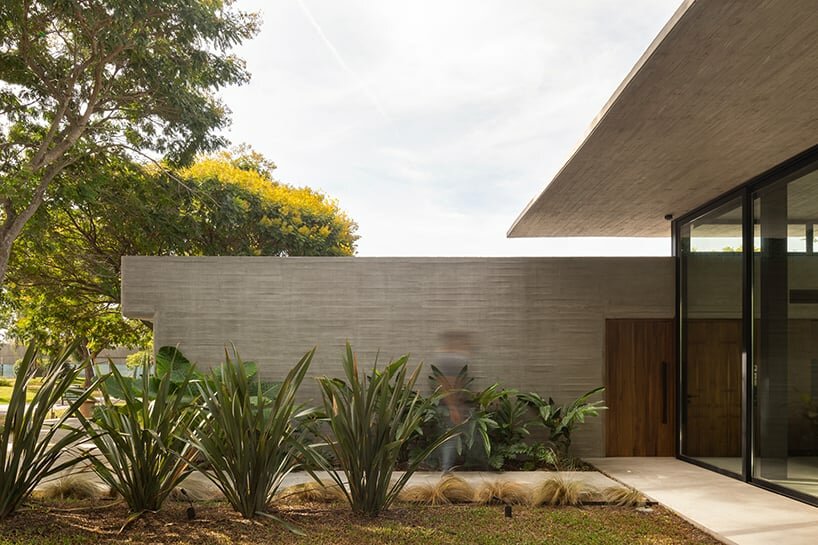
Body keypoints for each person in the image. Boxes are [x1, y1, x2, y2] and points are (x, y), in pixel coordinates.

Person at [433, 331, 474, 472]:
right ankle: (446, 470)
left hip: (454, 405)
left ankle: (446, 468)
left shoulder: (449, 358)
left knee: (451, 437)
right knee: (450, 438)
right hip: (451, 405)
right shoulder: (452, 359)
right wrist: (453, 408)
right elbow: (446, 384)